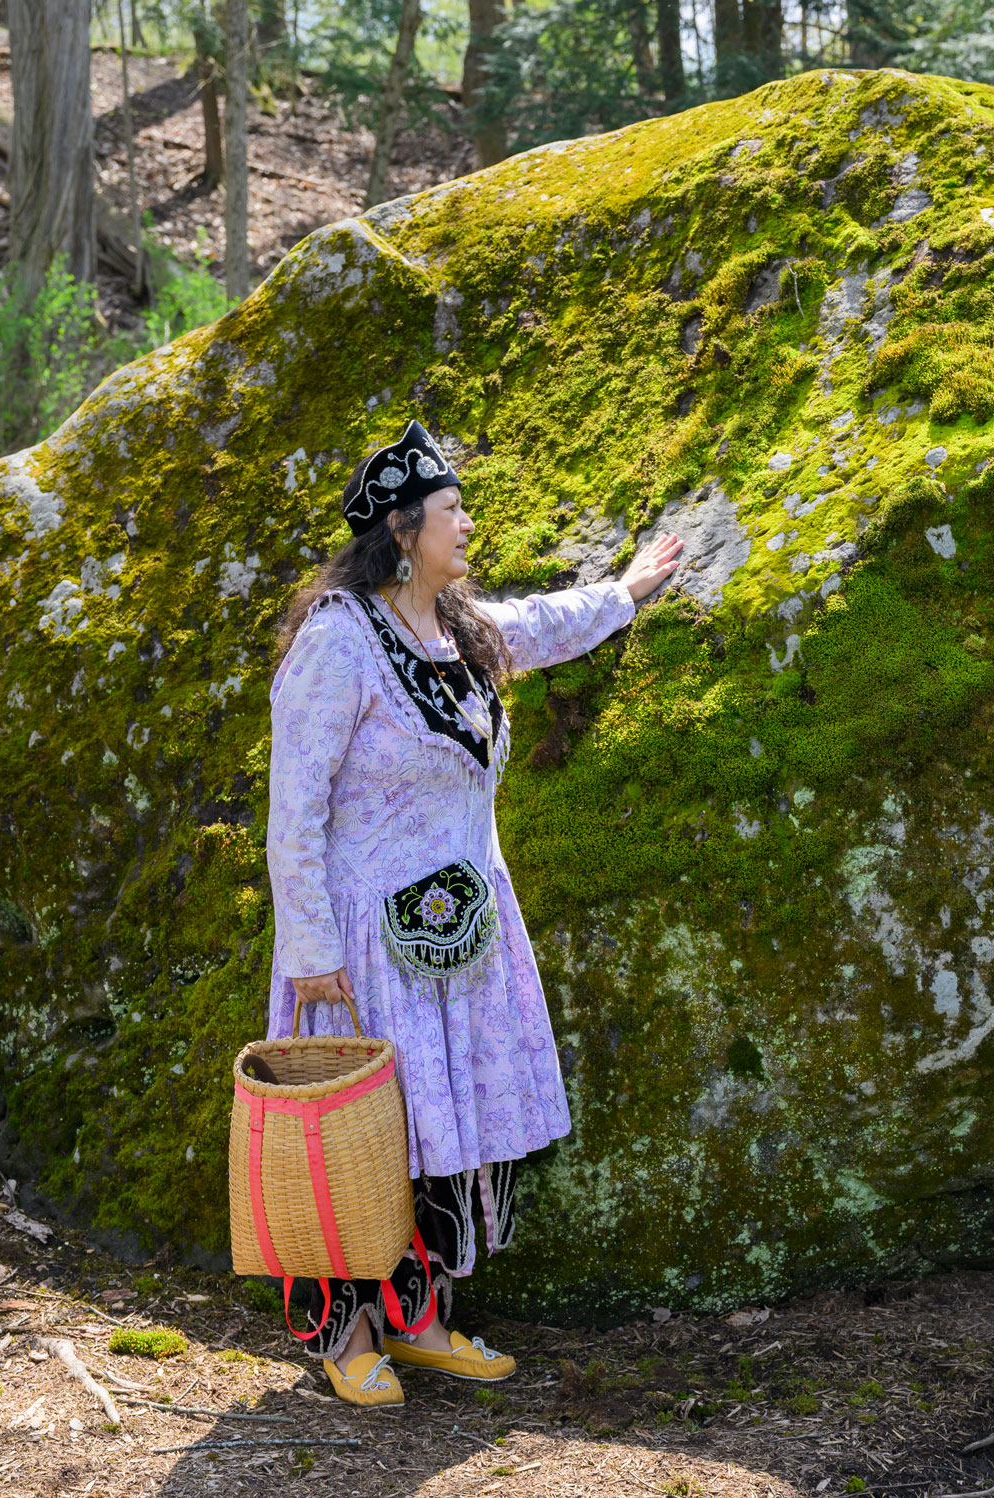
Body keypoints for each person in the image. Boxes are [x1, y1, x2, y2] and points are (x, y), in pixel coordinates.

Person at [265, 421, 683, 1406]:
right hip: (364, 947)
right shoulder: (337, 640)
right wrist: (311, 950)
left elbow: (539, 625)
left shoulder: (456, 630)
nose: (467, 523)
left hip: (461, 937)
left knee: (439, 1131)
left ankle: (418, 1320)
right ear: (402, 529)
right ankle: (343, 1334)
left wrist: (624, 592)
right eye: (451, 510)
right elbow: (295, 811)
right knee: (361, 1135)